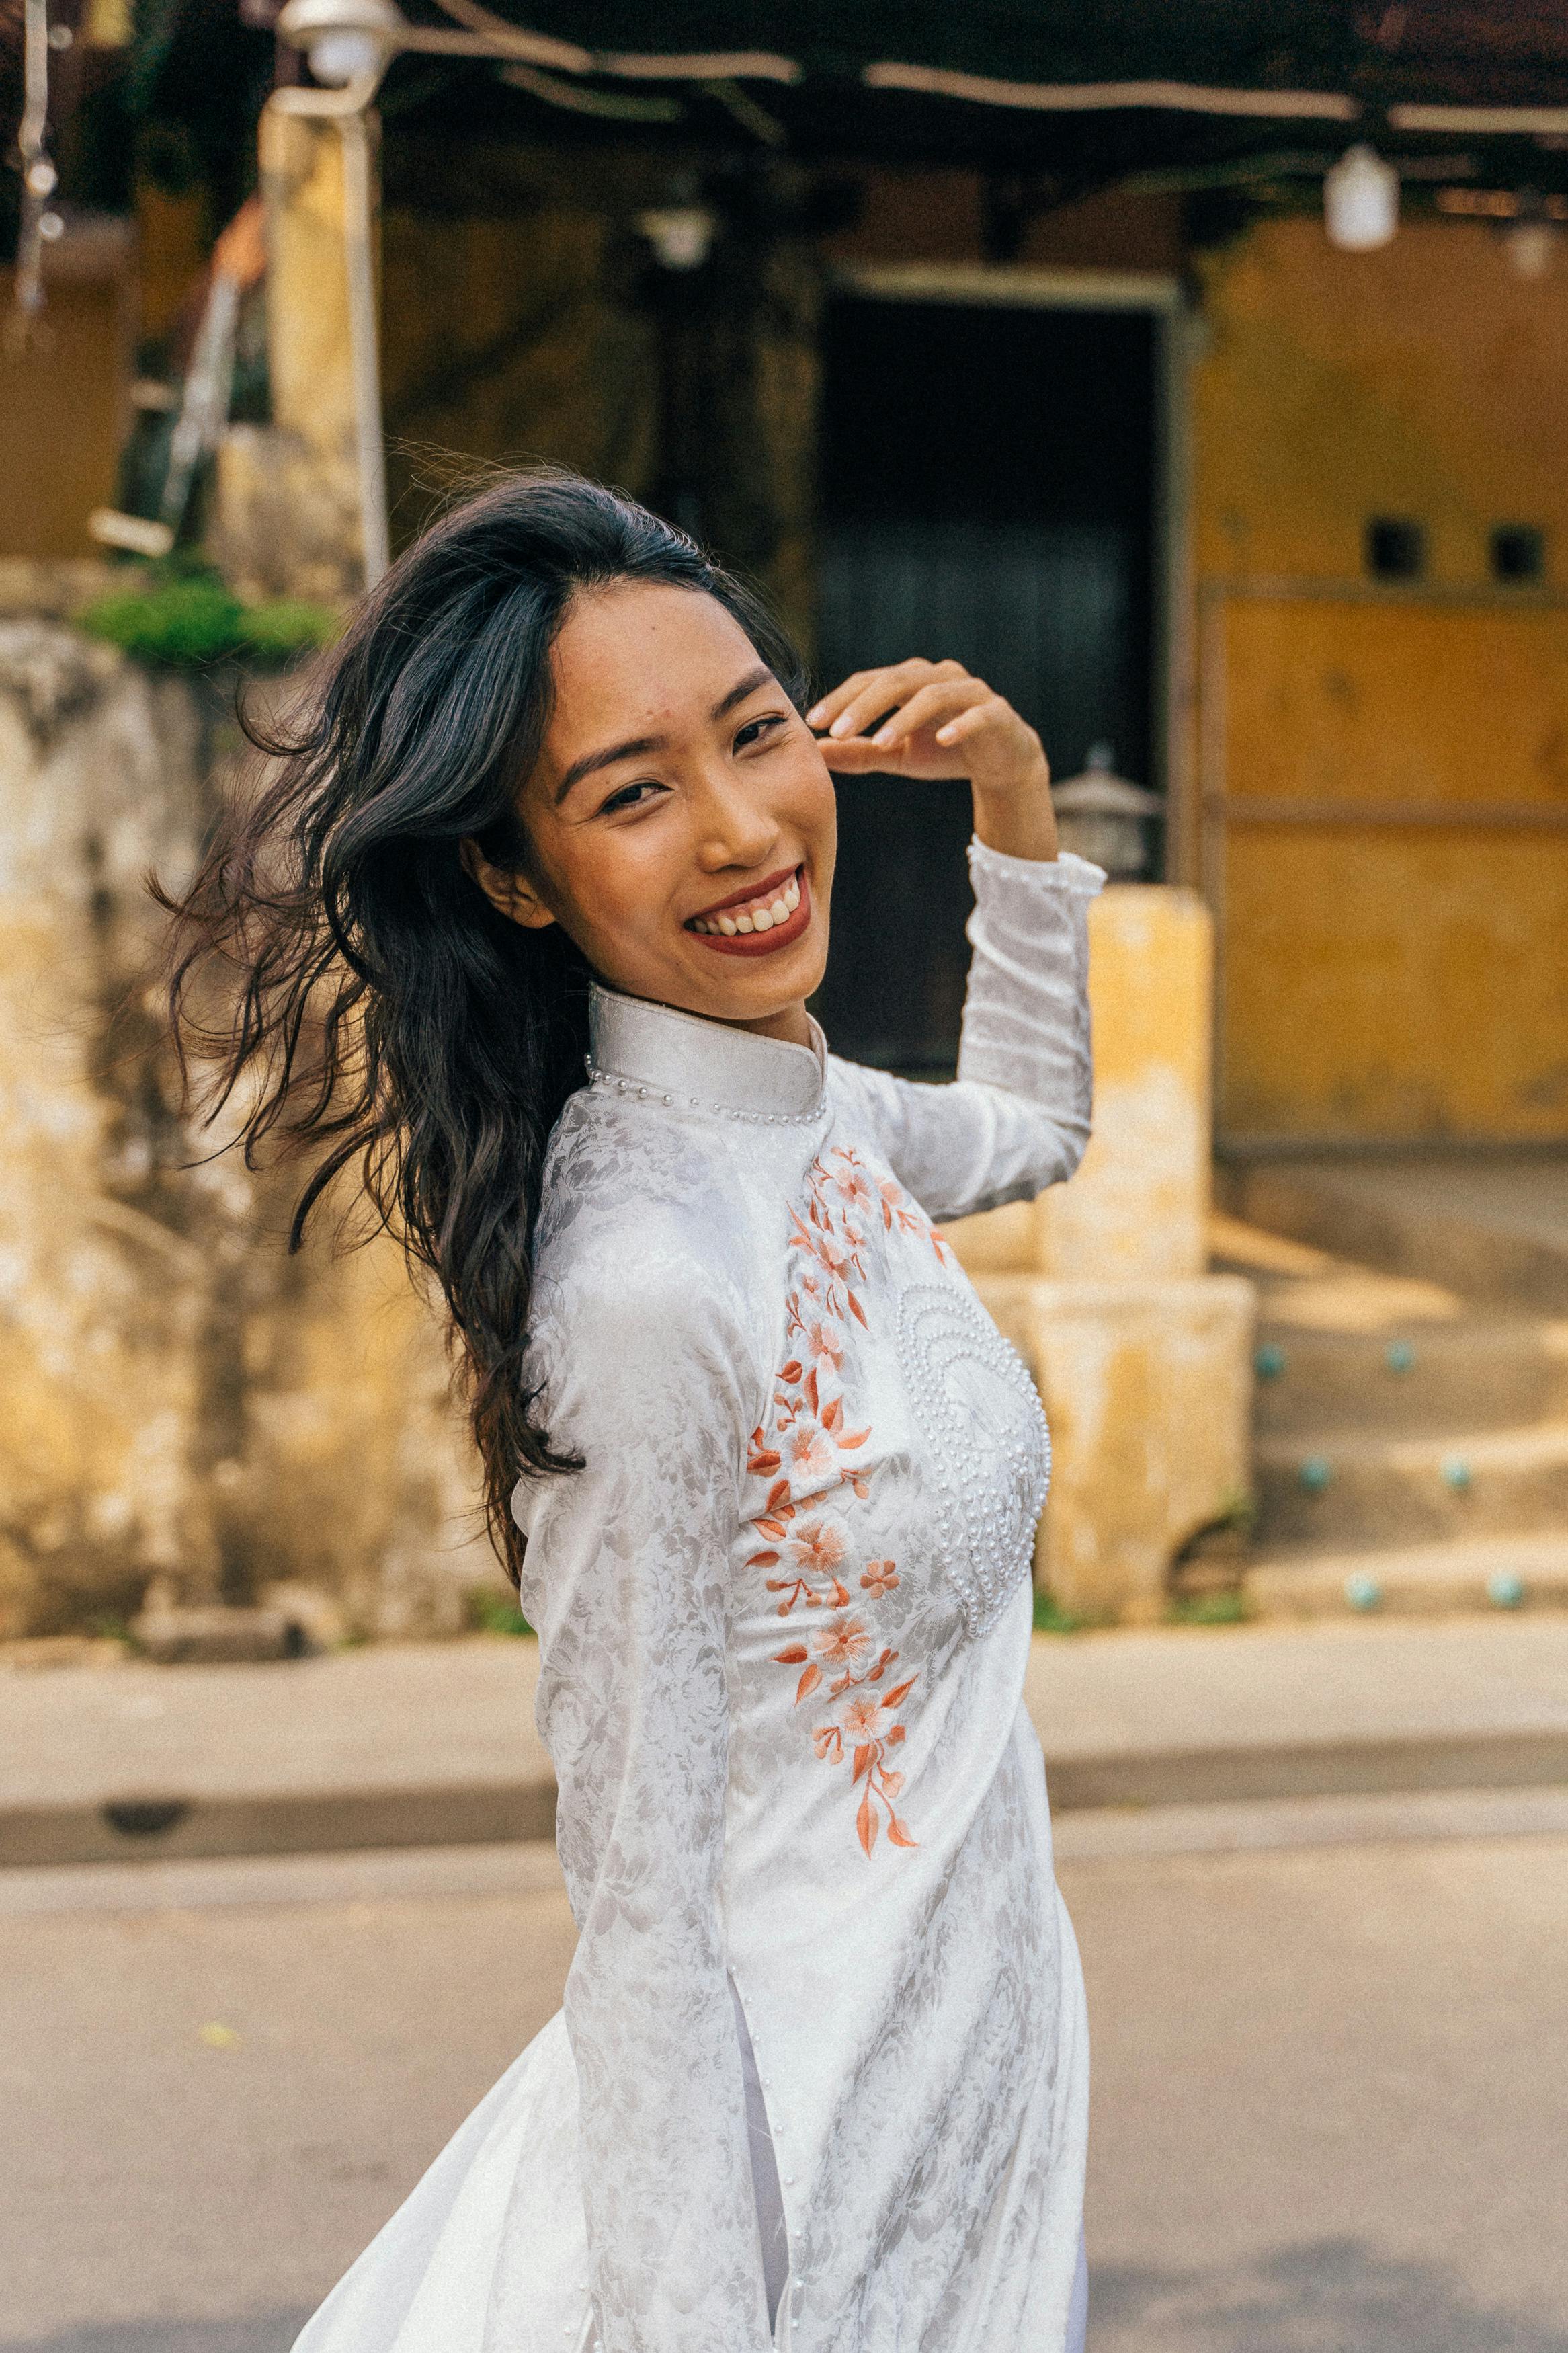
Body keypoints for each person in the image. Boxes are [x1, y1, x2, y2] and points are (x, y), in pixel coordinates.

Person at [163, 469, 1103, 2353]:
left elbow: (1041, 1127)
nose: (746, 825)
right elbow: (648, 1910)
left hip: (973, 2093)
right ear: (518, 876)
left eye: (756, 732)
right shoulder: (645, 1286)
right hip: (795, 2183)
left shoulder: (815, 1118)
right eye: (633, 790)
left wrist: (1014, 808)